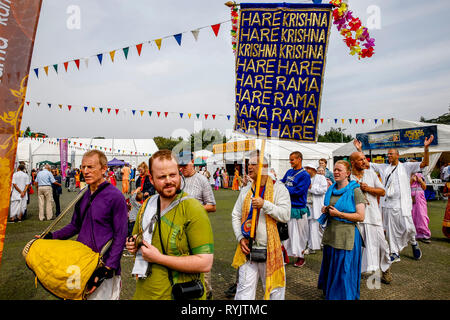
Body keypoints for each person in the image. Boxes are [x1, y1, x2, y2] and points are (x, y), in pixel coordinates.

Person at [126, 150, 214, 300]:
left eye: (172, 175)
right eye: (161, 177)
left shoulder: (193, 208)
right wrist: (134, 244)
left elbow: (205, 262)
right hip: (145, 292)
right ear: (152, 180)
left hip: (178, 294)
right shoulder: (147, 205)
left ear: (179, 175)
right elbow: (139, 240)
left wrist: (159, 258)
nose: (168, 181)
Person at [45, 150, 128, 300]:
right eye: (83, 167)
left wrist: (108, 267)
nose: (85, 171)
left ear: (104, 169)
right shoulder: (82, 194)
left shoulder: (115, 197)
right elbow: (75, 226)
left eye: (90, 167)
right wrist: (51, 236)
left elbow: (121, 235)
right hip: (81, 263)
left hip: (102, 267)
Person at [354, 135, 433, 262]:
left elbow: (425, 163)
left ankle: (413, 242)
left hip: (403, 205)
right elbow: (366, 164)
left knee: (408, 228)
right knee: (390, 230)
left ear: (397, 155)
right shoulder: (383, 167)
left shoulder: (407, 167)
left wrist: (426, 148)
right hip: (388, 205)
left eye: (391, 154)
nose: (388, 156)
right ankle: (394, 252)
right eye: (388, 154)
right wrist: (359, 150)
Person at [231, 150, 291, 300]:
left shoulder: (279, 188)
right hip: (248, 249)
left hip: (272, 249)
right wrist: (240, 237)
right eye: (248, 163)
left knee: (274, 292)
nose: (249, 166)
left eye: (253, 164)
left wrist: (265, 204)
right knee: (244, 292)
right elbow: (236, 215)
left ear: (264, 167)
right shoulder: (246, 190)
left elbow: (285, 215)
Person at [317, 160, 365, 300]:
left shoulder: (355, 190)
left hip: (347, 236)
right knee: (332, 266)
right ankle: (331, 293)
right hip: (332, 234)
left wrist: (339, 214)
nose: (336, 172)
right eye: (335, 170)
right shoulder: (331, 189)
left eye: (340, 170)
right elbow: (330, 207)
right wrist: (326, 209)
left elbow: (361, 216)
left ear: (348, 173)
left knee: (344, 270)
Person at [178, 152, 216, 299]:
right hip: (180, 231)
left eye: (185, 165)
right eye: (180, 166)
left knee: (203, 269)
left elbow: (212, 206)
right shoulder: (178, 180)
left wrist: (193, 209)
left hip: (199, 230)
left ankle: (207, 294)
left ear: (193, 162)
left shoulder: (202, 180)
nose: (182, 169)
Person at [350, 152, 392, 283]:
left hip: (373, 216)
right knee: (357, 247)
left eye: (364, 159)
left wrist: (368, 189)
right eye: (360, 160)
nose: (364, 162)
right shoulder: (348, 177)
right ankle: (355, 272)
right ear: (353, 162)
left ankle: (385, 270)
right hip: (357, 217)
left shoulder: (370, 174)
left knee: (382, 245)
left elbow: (383, 191)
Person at [281, 151, 311, 267]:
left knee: (299, 235)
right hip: (288, 207)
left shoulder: (305, 175)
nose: (290, 162)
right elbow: (282, 182)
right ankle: (285, 256)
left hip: (298, 208)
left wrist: (285, 190)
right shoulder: (289, 172)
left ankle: (301, 257)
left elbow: (299, 191)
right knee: (286, 234)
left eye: (292, 159)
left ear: (299, 159)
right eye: (290, 159)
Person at [303, 162, 327, 254]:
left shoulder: (321, 178)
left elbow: (323, 190)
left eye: (308, 168)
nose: (307, 170)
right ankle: (311, 246)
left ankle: (316, 245)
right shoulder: (306, 178)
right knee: (310, 227)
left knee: (317, 227)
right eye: (306, 168)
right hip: (307, 206)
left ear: (313, 169)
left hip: (317, 206)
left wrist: (311, 188)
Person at [410, 171, 431, 243]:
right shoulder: (406, 175)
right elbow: (404, 187)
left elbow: (424, 187)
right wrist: (412, 180)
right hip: (410, 198)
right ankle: (412, 234)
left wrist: (421, 181)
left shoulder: (420, 176)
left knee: (422, 215)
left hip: (420, 198)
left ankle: (423, 234)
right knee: (411, 215)